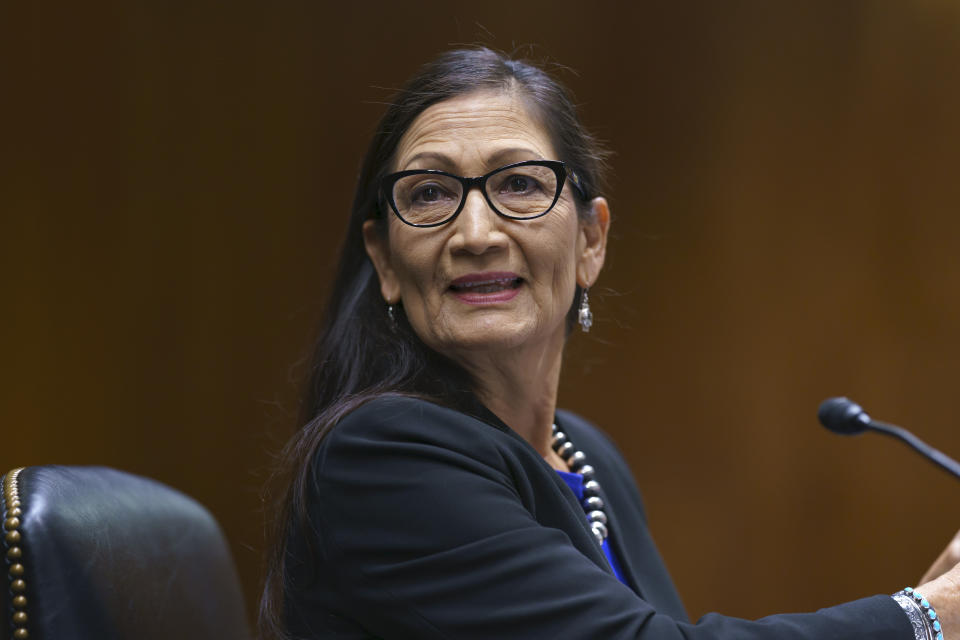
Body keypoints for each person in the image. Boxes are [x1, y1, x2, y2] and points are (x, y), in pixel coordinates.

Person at [260, 47, 960, 639]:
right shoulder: (378, 459)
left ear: (591, 240)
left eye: (520, 184)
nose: (475, 233)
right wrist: (929, 618)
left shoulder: (590, 458)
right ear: (384, 260)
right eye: (430, 195)